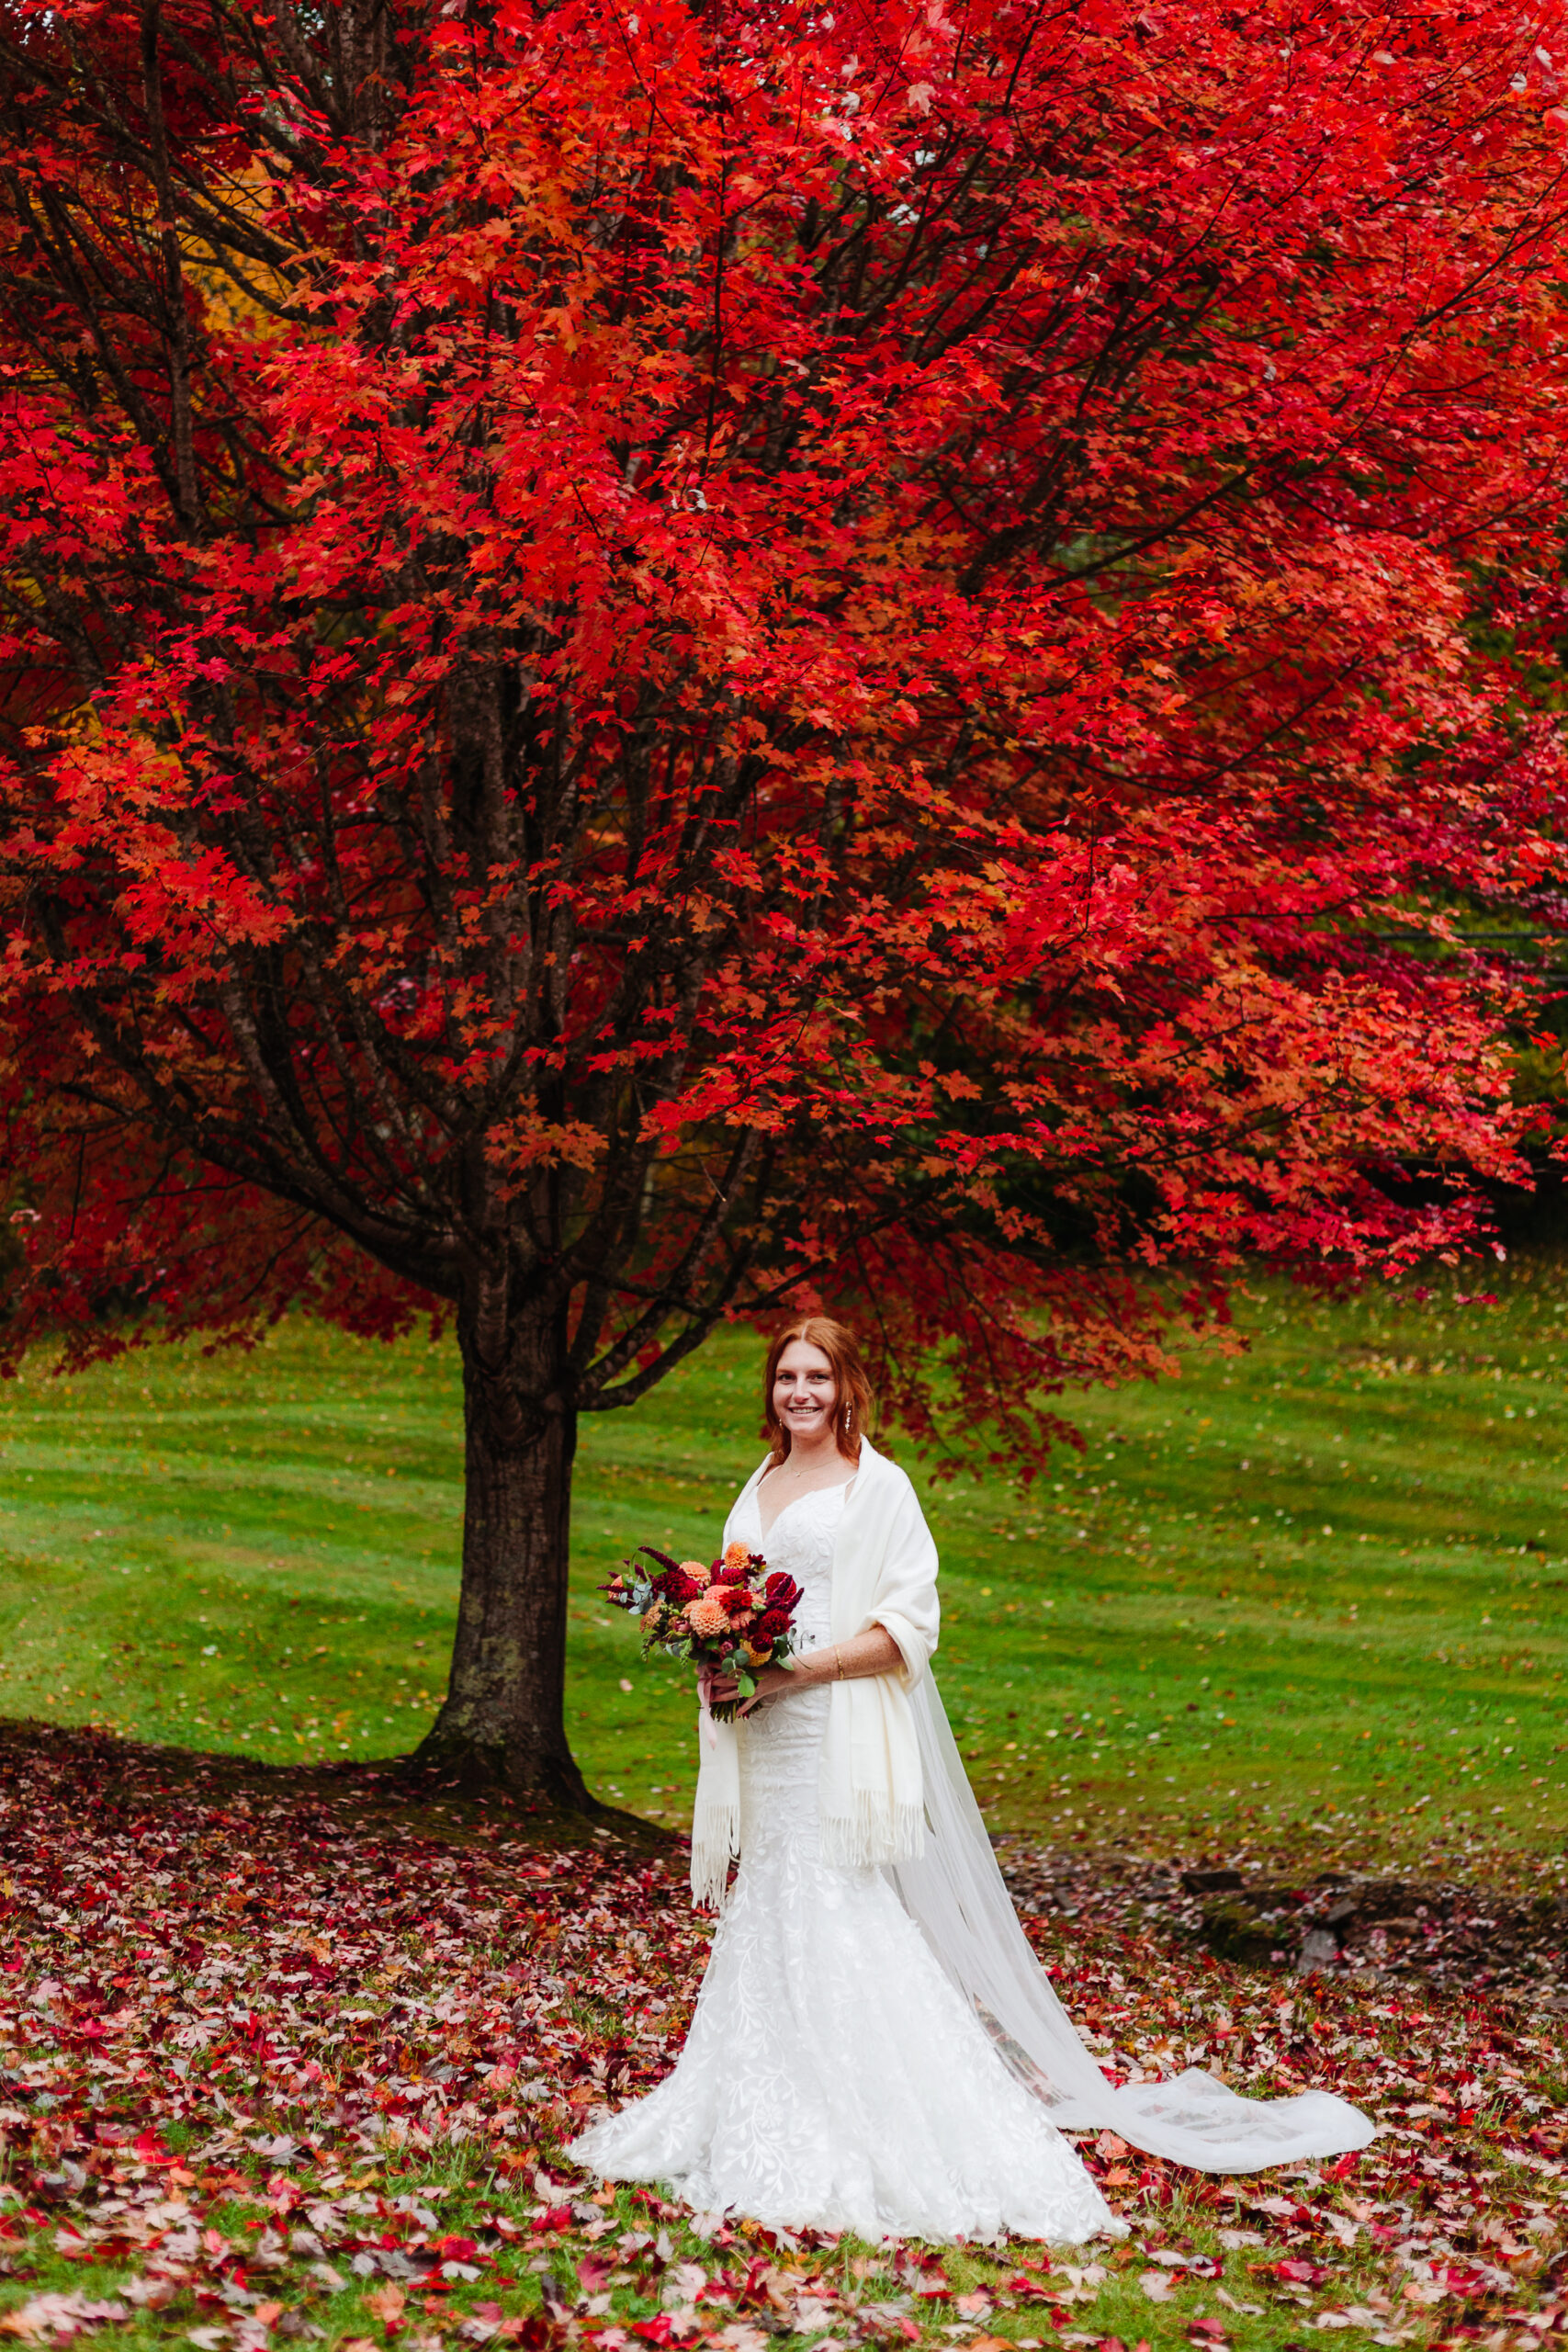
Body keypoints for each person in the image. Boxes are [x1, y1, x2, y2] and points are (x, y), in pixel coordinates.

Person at [569, 1317, 1372, 2241]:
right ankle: (755, 2091)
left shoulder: (881, 1485)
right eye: (787, 1376)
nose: (800, 1393)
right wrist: (724, 1658)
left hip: (832, 1722)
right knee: (775, 1898)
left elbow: (910, 1625)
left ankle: (890, 2116)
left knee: (838, 1900)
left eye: (817, 1378)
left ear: (845, 1387)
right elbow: (745, 1591)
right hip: (766, 1726)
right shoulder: (761, 1478)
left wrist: (797, 1671)